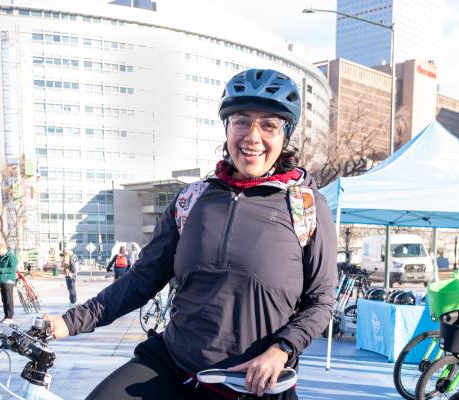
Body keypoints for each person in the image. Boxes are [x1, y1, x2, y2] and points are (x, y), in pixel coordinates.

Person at [43, 68, 337, 399]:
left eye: (268, 125)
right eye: (241, 121)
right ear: (226, 127)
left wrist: (283, 349)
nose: (253, 137)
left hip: (252, 383)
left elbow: (321, 301)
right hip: (175, 365)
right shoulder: (192, 199)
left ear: (285, 136)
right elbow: (142, 279)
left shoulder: (305, 205)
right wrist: (69, 322)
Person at [0, 241, 18, 324]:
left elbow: (12, 269)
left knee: (9, 299)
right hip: (2, 280)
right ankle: (6, 316)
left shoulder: (11, 257)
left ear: (3, 249)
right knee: (4, 299)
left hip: (8, 280)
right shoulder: (1, 257)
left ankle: (10, 316)